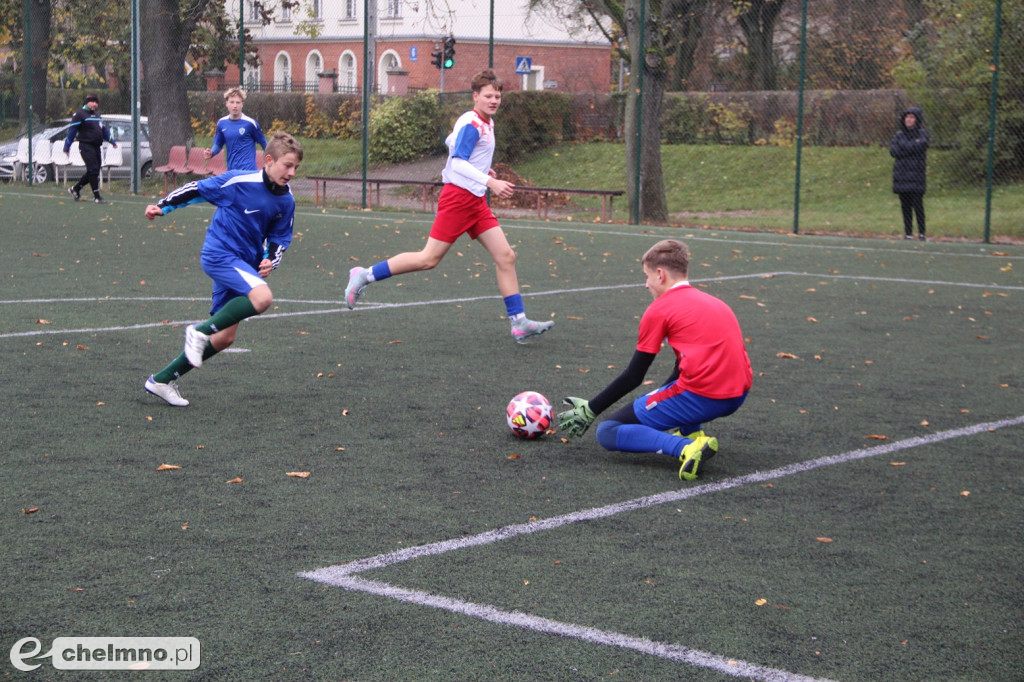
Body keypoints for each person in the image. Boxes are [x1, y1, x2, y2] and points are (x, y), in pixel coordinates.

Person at [343, 69, 554, 344]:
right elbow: (456, 162)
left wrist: (483, 172)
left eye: (498, 96)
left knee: (506, 256)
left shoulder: (483, 122)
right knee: (428, 259)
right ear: (475, 96)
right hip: (458, 199)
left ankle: (519, 322)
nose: (494, 100)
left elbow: (456, 149)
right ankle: (364, 275)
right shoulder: (473, 123)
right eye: (488, 96)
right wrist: (491, 183)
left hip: (475, 201)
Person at [557, 239, 752, 481]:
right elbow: (683, 367)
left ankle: (687, 449)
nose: (646, 284)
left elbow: (634, 376)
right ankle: (692, 436)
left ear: (660, 274)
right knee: (671, 391)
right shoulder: (715, 303)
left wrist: (591, 408)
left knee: (608, 432)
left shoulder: (660, 309)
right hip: (737, 395)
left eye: (646, 276)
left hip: (704, 396)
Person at [143, 132, 303, 407]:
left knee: (226, 337)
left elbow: (279, 240)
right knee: (263, 298)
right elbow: (197, 188)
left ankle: (162, 380)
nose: (291, 172)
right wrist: (162, 206)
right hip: (220, 254)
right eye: (287, 165)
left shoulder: (286, 201)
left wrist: (270, 261)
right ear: (268, 160)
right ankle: (200, 331)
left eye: (296, 168)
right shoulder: (241, 182)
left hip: (245, 263)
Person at [64, 94, 117, 204]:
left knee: (94, 171)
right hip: (85, 146)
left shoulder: (97, 115)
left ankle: (75, 189)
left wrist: (112, 141)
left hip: (97, 146)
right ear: (87, 102)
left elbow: (103, 130)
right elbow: (72, 131)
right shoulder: (79, 115)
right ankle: (97, 197)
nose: (94, 104)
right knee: (93, 169)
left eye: (96, 102)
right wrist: (66, 147)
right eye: (92, 102)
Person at [890, 107, 930, 241]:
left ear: (917, 120)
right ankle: (908, 233)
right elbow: (894, 151)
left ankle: (922, 232)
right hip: (901, 176)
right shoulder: (899, 135)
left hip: (916, 175)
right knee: (905, 205)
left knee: (917, 204)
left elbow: (921, 146)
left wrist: (906, 148)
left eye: (912, 117)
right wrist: (911, 147)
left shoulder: (923, 134)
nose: (909, 120)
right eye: (907, 117)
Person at [205, 87, 267, 171]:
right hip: (232, 172)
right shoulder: (222, 123)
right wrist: (211, 152)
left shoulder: (250, 123)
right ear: (226, 103)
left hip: (248, 171)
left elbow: (264, 143)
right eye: (232, 102)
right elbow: (218, 144)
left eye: (238, 102)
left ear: (242, 104)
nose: (235, 106)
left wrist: (273, 157)